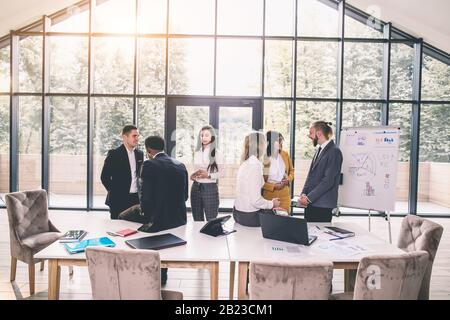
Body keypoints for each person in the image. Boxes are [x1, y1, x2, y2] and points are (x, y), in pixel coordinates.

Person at [119, 135, 188, 285]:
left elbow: (146, 198)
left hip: (157, 216)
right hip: (178, 217)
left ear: (148, 150)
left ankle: (127, 261)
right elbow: (185, 196)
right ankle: (162, 272)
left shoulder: (149, 164)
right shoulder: (180, 164)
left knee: (122, 215)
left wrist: (144, 212)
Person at [233, 132, 281, 227]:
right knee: (281, 218)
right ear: (261, 146)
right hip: (249, 217)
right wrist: (272, 204)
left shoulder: (245, 163)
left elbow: (256, 187)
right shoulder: (255, 167)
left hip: (238, 213)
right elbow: (255, 201)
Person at [299, 121, 343, 222]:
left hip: (322, 205)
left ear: (319, 134)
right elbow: (310, 176)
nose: (309, 136)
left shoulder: (334, 151)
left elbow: (328, 181)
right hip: (311, 203)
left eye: (311, 133)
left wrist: (308, 198)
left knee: (321, 236)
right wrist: (303, 195)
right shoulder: (319, 150)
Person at [100, 125, 143, 220]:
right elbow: (104, 177)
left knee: (134, 228)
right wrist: (114, 192)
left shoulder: (140, 154)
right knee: (117, 229)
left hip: (135, 199)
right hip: (118, 200)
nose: (137, 138)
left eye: (138, 136)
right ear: (124, 137)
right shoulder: (114, 154)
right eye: (134, 136)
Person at [190, 125, 224, 221]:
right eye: (201, 135)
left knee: (211, 219)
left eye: (206, 135)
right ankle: (197, 236)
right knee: (197, 219)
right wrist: (193, 175)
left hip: (210, 188)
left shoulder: (217, 153)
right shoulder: (196, 152)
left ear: (212, 137)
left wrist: (208, 175)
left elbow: (223, 173)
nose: (203, 138)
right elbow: (196, 170)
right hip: (196, 187)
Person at [262, 131, 295, 213]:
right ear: (270, 142)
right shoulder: (264, 158)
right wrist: (274, 186)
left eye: (281, 140)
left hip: (284, 194)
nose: (281, 143)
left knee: (284, 221)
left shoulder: (285, 154)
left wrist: (288, 179)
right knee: (269, 222)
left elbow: (291, 171)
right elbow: (260, 182)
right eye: (278, 140)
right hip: (269, 196)